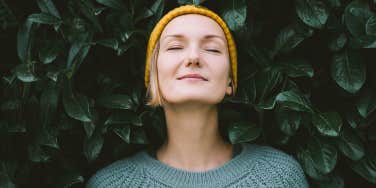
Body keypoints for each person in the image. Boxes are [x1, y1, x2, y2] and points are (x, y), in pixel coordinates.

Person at [86, 4, 309, 188]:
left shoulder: (280, 177)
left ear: (230, 82)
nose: (193, 57)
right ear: (154, 77)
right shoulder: (112, 184)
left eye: (212, 49)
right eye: (175, 47)